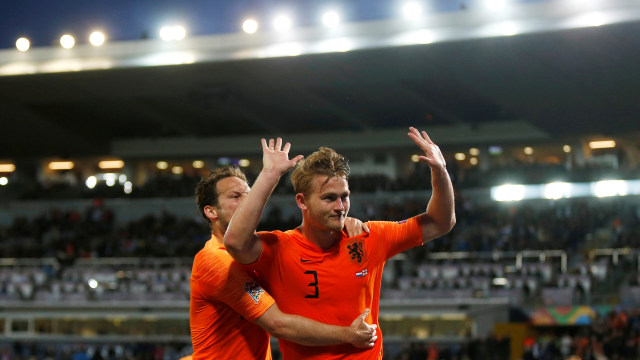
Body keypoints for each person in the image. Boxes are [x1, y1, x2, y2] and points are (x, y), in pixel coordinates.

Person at [223, 127, 456, 359]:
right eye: (329, 198)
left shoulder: (368, 236)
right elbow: (235, 242)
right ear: (302, 202)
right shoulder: (279, 249)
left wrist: (440, 171)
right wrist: (270, 175)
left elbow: (441, 222)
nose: (340, 207)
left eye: (344, 196)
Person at [190, 165, 377, 359]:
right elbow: (278, 324)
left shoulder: (259, 254)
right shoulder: (215, 261)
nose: (247, 201)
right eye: (236, 196)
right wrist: (349, 334)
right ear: (211, 212)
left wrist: (336, 223)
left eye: (249, 194)